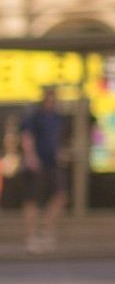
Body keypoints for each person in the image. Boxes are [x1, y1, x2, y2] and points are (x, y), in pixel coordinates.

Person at [16, 94, 70, 255]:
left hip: (52, 163)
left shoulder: (56, 118)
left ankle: (45, 229)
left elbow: (57, 140)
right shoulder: (34, 116)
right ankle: (31, 236)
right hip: (36, 164)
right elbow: (27, 137)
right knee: (31, 199)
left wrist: (61, 154)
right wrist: (31, 157)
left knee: (61, 196)